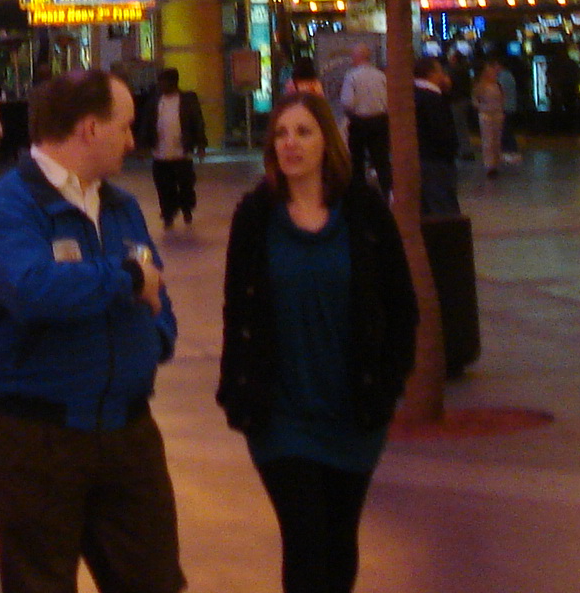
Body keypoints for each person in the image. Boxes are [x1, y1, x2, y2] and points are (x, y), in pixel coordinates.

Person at [0, 69, 180, 593]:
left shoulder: (123, 207)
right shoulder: (7, 208)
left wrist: (154, 339)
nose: (131, 141)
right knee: (40, 582)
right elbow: (33, 289)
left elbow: (158, 291)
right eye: (124, 127)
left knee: (154, 580)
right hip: (37, 437)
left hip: (128, 431)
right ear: (90, 128)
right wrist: (126, 280)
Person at [216, 91, 416, 593]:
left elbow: (400, 305)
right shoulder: (256, 216)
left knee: (340, 542)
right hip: (281, 416)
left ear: (328, 140)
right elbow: (237, 310)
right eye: (281, 134)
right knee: (306, 543)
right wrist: (238, 388)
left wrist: (389, 382)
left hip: (353, 411)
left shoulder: (364, 211)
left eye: (304, 132)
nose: (291, 144)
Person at [146, 67, 205, 232]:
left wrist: (201, 145)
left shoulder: (187, 100)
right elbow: (147, 123)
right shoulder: (155, 101)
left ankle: (186, 209)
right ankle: (167, 214)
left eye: (164, 82)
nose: (161, 85)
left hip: (181, 153)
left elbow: (197, 122)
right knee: (164, 186)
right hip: (160, 153)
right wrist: (144, 146)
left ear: (174, 82)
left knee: (186, 185)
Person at [336, 46, 389, 193]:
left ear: (357, 57)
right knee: (381, 160)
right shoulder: (381, 76)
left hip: (359, 122)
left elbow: (347, 102)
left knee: (357, 161)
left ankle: (359, 192)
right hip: (380, 121)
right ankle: (387, 191)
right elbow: (388, 100)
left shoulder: (352, 76)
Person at [414, 59, 460, 217]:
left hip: (423, 158)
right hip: (436, 161)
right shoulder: (432, 99)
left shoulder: (414, 95)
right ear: (431, 73)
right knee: (443, 208)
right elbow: (440, 131)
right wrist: (450, 150)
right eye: (440, 71)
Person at [471, 61, 508, 179]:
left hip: (497, 114)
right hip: (485, 115)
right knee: (488, 140)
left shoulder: (498, 85)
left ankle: (496, 163)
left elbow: (503, 99)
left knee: (496, 139)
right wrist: (481, 107)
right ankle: (489, 165)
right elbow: (475, 100)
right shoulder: (481, 86)